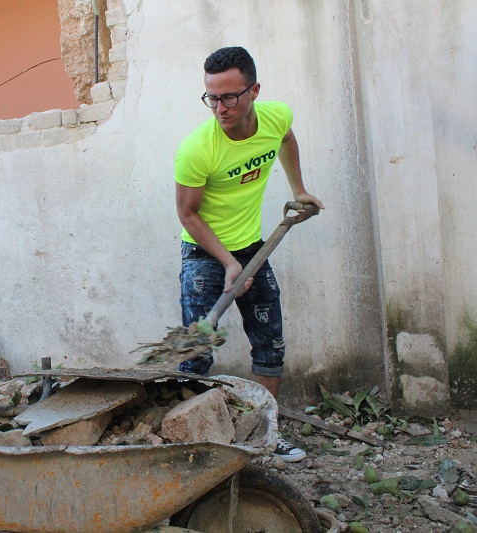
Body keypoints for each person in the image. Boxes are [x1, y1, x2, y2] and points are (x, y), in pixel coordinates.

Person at [174, 47, 324, 462]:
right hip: (205, 255)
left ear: (254, 91)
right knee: (195, 355)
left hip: (253, 247)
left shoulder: (275, 116)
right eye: (211, 98)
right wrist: (227, 262)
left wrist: (298, 189)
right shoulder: (197, 149)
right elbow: (187, 215)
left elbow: (286, 137)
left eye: (229, 97)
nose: (219, 108)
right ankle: (188, 444)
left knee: (270, 345)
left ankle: (266, 435)